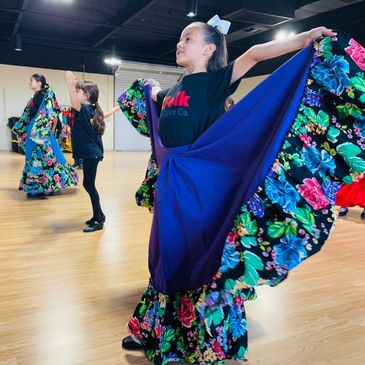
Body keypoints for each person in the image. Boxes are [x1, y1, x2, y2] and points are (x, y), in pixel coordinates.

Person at [118, 16, 365, 364]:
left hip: (201, 183)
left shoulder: (216, 82)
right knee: (165, 254)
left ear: (208, 49)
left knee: (198, 254)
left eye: (187, 38)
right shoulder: (173, 90)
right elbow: (151, 105)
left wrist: (305, 38)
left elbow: (254, 53)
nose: (179, 44)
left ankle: (212, 342)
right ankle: (153, 328)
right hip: (172, 181)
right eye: (180, 39)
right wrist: (146, 89)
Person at [12, 73, 78, 197]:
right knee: (35, 156)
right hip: (34, 129)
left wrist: (52, 129)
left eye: (32, 80)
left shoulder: (46, 95)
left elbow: (52, 114)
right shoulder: (35, 96)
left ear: (39, 82)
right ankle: (37, 186)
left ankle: (45, 186)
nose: (30, 82)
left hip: (41, 132)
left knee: (44, 157)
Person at [66, 72, 106, 233]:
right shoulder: (91, 109)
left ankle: (98, 220)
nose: (76, 95)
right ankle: (100, 216)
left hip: (92, 153)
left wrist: (69, 83)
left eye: (78, 92)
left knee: (89, 185)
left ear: (86, 95)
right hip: (93, 153)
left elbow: (74, 103)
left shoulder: (83, 108)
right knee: (88, 184)